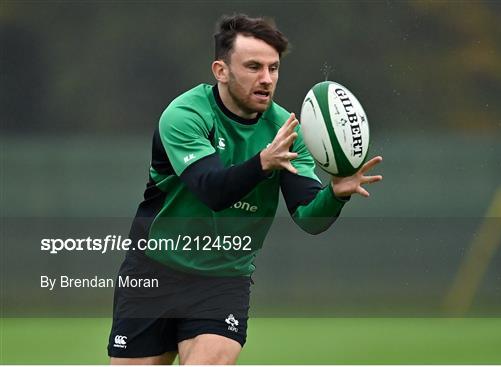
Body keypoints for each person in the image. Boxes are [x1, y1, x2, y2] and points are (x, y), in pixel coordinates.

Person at [108, 14, 383, 365]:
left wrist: (337, 194)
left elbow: (309, 218)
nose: (266, 79)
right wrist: (262, 163)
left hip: (223, 278)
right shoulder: (185, 115)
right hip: (153, 268)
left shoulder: (286, 132)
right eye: (254, 67)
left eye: (274, 68)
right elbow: (212, 190)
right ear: (221, 70)